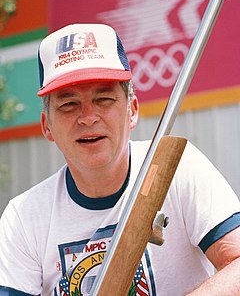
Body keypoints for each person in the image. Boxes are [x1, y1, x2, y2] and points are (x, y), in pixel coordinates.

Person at [0, 23, 240, 296]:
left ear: (133, 111)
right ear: (47, 126)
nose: (88, 117)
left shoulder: (176, 168)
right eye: (69, 104)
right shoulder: (23, 218)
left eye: (104, 98)